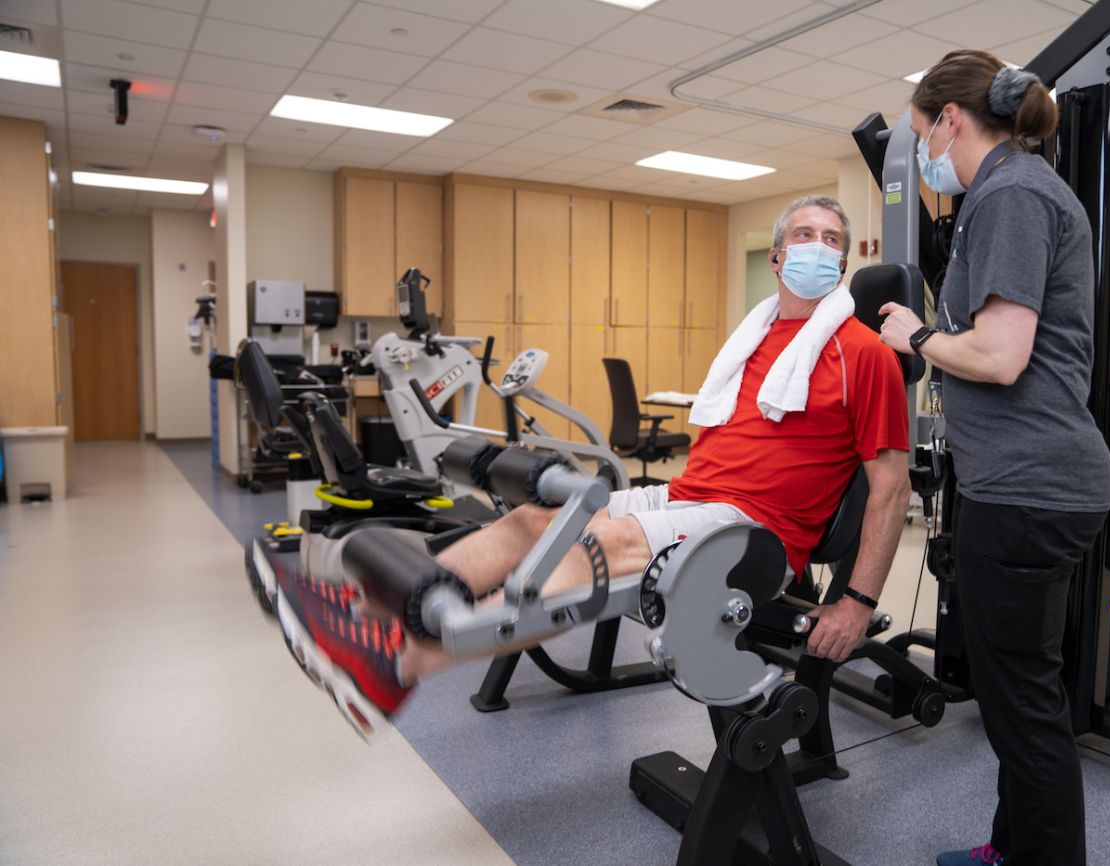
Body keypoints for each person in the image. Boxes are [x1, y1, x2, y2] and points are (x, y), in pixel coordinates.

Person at [274, 194, 913, 739]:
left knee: (600, 542)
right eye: (805, 235)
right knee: (536, 518)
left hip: (757, 535)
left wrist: (856, 602)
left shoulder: (865, 355)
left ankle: (395, 665)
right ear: (778, 257)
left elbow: (889, 487)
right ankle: (367, 617)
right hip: (693, 499)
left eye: (833, 241)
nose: (819, 248)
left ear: (843, 263)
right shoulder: (752, 338)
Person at [877, 51, 1110, 866]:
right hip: (1033, 484)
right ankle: (1012, 850)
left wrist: (918, 337)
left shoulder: (1010, 192)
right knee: (1026, 699)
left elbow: (1002, 355)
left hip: (1028, 490)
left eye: (919, 136)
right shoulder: (1017, 188)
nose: (923, 155)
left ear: (949, 119)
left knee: (1024, 715)